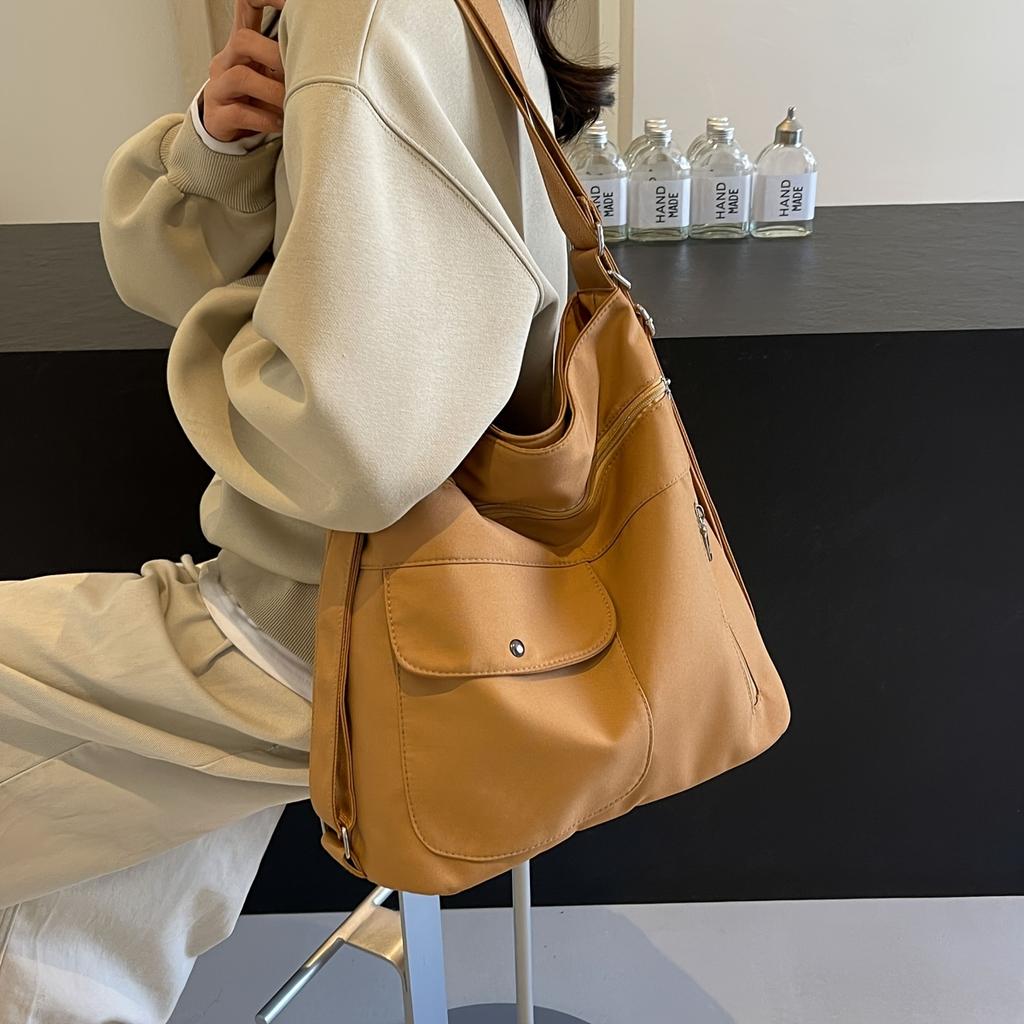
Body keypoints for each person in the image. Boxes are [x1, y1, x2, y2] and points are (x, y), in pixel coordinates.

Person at [0, 0, 615, 1019]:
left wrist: (240, 334)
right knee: (72, 915)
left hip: (321, 626)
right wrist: (217, 146)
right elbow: (168, 267)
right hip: (423, 608)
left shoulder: (364, 11)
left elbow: (358, 446)